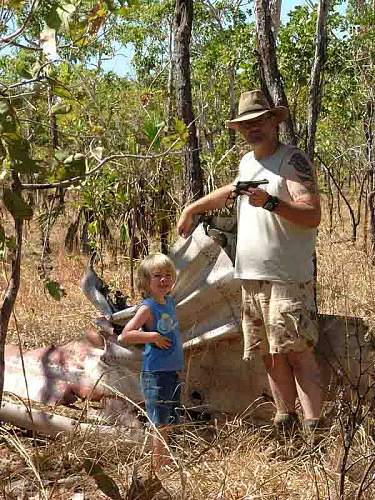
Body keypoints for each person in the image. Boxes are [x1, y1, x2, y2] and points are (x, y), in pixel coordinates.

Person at [177, 90, 321, 433]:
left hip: (288, 278)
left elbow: (312, 214)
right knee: (269, 354)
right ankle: (285, 422)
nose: (252, 128)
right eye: (246, 124)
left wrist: (270, 203)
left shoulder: (293, 161)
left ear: (273, 121)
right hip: (251, 277)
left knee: (297, 352)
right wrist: (193, 208)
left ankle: (315, 428)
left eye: (259, 121)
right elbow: (231, 191)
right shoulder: (247, 163)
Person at [118, 253, 183, 467]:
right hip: (155, 372)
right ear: (147, 281)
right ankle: (158, 466)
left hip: (171, 370)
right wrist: (152, 336)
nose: (164, 280)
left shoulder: (169, 302)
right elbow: (125, 335)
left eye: (167, 275)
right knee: (159, 422)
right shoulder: (147, 308)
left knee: (170, 418)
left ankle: (165, 461)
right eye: (157, 276)